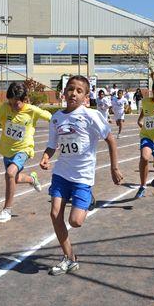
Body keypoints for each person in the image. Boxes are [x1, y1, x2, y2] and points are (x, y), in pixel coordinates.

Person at [39, 75, 123, 275]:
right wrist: (45, 157)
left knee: (76, 222)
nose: (73, 93)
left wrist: (114, 168)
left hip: (83, 177)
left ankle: (88, 199)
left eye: (79, 91)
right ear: (64, 92)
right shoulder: (56, 117)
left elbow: (110, 140)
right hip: (61, 173)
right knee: (54, 214)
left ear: (86, 96)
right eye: (70, 89)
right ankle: (69, 257)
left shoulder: (91, 115)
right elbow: (53, 145)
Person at [0, 82, 52, 223]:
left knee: (10, 173)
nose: (12, 107)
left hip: (24, 149)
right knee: (14, 178)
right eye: (10, 103)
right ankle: (32, 179)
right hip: (7, 150)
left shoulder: (32, 111)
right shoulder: (4, 108)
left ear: (24, 99)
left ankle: (7, 210)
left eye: (16, 104)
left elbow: (52, 118)